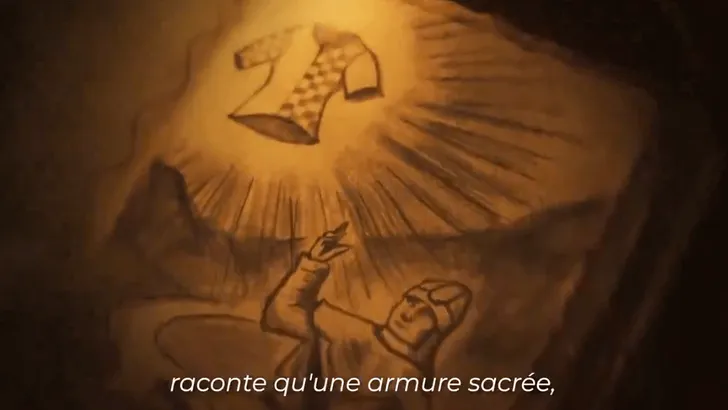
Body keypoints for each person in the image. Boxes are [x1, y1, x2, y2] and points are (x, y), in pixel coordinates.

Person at [261, 222, 472, 410]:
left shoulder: (410, 383)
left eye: (425, 312)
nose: (409, 313)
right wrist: (313, 264)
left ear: (436, 331)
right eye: (411, 301)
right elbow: (279, 313)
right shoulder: (345, 328)